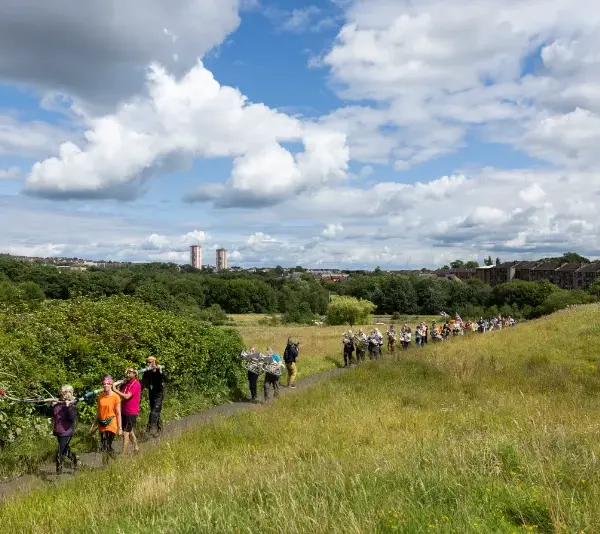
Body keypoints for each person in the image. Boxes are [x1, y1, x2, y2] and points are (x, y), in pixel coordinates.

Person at [49, 385, 78, 475]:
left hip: (67, 432)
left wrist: (68, 406)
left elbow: (72, 418)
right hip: (58, 430)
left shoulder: (72, 404)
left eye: (65, 392)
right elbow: (50, 414)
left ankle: (58, 475)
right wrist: (52, 406)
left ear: (70, 393)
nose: (63, 394)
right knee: (65, 450)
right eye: (62, 392)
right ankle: (75, 459)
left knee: (59, 453)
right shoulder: (58, 402)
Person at [91, 376, 122, 463]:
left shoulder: (116, 397)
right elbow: (98, 412)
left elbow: (118, 413)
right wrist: (93, 424)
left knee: (106, 444)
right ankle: (112, 460)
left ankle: (106, 463)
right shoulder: (100, 397)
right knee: (104, 445)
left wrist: (120, 428)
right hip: (102, 423)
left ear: (111, 384)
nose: (105, 386)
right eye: (104, 384)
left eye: (107, 384)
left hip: (111, 423)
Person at [113, 368, 141, 455]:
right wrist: (118, 385)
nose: (127, 375)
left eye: (129, 373)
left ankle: (123, 453)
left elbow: (127, 396)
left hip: (131, 412)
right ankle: (136, 446)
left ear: (135, 374)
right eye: (127, 373)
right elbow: (120, 395)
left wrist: (115, 389)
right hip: (123, 411)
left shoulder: (136, 384)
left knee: (126, 433)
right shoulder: (126, 383)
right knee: (130, 431)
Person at [142, 356, 166, 436]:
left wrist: (159, 370)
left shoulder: (159, 369)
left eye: (150, 362)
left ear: (154, 362)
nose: (148, 364)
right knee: (154, 410)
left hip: (159, 392)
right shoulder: (147, 372)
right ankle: (160, 428)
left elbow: (165, 378)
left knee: (155, 410)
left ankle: (150, 429)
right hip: (151, 391)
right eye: (147, 362)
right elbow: (143, 382)